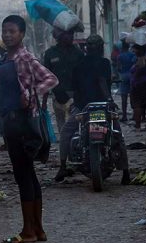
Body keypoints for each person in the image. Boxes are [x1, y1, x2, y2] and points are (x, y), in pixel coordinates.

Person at [0, 15, 58, 243]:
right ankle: (38, 229)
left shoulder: (24, 57)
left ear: (21, 34)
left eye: (12, 31)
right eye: (5, 31)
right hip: (11, 123)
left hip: (22, 123)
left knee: (24, 176)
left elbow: (51, 79)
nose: (7, 35)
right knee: (28, 175)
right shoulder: (6, 58)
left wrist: (31, 94)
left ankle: (28, 231)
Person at [55, 34, 131, 184]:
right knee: (117, 136)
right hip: (103, 106)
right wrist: (109, 99)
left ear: (86, 48)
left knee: (66, 133)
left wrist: (72, 101)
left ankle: (63, 166)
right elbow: (102, 81)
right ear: (101, 48)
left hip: (84, 108)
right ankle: (125, 171)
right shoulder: (104, 63)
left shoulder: (79, 64)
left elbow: (73, 87)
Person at [42, 27, 82, 137]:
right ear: (59, 37)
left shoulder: (78, 53)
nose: (71, 37)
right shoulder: (50, 54)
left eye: (72, 34)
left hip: (75, 96)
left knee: (75, 128)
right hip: (58, 97)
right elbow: (46, 78)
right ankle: (66, 152)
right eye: (67, 34)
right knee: (62, 129)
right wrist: (44, 102)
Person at [117, 41, 136, 121]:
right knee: (133, 96)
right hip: (132, 75)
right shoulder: (132, 55)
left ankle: (124, 116)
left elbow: (118, 67)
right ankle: (135, 114)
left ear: (122, 47)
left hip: (123, 76)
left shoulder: (120, 56)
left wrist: (120, 72)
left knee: (124, 97)